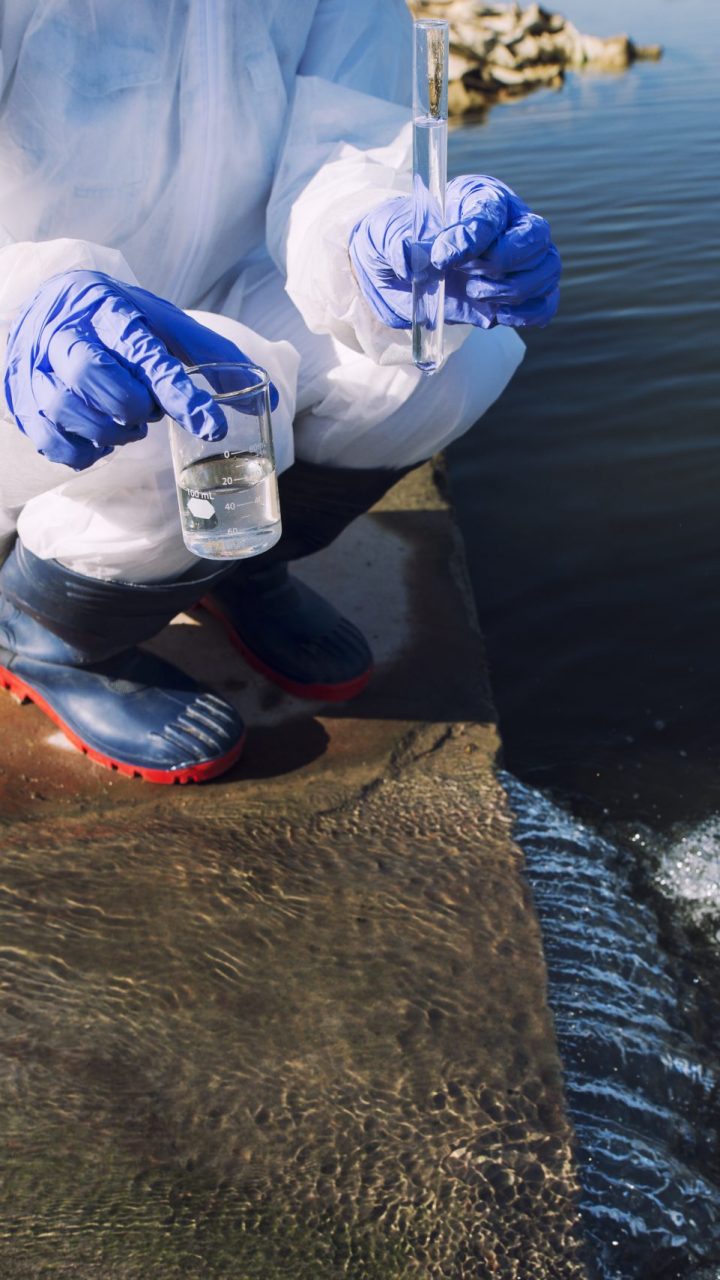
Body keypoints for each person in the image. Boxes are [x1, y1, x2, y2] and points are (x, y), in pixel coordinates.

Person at [0, 0, 560, 784]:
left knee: (442, 359)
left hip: (224, 288)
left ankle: (236, 567)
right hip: (31, 341)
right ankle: (50, 631)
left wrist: (383, 243)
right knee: (205, 412)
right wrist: (28, 304)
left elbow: (343, 145)